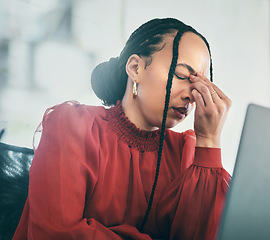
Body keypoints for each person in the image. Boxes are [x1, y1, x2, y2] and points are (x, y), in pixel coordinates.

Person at [13, 18, 231, 240]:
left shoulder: (188, 153)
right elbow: (54, 232)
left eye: (199, 86)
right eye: (182, 75)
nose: (191, 96)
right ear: (135, 68)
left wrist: (209, 141)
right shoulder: (73, 126)